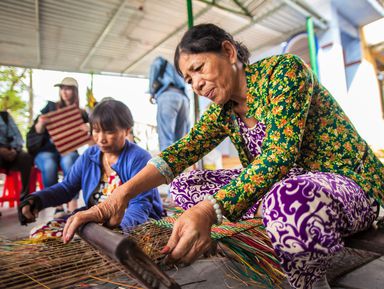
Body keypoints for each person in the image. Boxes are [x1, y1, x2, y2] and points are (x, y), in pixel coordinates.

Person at [62, 24, 384, 289]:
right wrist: (116, 198)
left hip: (347, 185)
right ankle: (276, 223)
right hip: (287, 187)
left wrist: (210, 209)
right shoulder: (224, 112)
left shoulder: (283, 73)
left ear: (228, 52)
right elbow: (179, 154)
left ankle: (311, 282)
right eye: (189, 80)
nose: (197, 85)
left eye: (199, 69)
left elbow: (279, 156)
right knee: (185, 185)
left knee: (286, 200)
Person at [19, 99, 163, 233]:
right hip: (97, 221)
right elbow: (67, 187)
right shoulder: (90, 155)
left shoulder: (138, 158)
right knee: (41, 232)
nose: (101, 139)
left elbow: (141, 204)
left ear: (126, 130)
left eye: (109, 131)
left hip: (134, 222)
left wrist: (119, 230)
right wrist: (37, 199)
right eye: (96, 130)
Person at [28, 77, 87, 217]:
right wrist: (41, 123)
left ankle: (73, 205)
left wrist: (87, 129)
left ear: (75, 91)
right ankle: (58, 206)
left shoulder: (81, 113)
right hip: (46, 150)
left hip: (68, 150)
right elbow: (36, 132)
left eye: (68, 88)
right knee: (49, 164)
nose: (64, 92)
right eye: (62, 88)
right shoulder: (49, 107)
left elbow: (90, 139)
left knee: (70, 160)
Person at [149, 56, 190, 151]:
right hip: (183, 98)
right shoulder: (175, 67)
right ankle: (182, 164)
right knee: (181, 140)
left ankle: (166, 165)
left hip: (167, 95)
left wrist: (152, 92)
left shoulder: (159, 61)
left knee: (165, 138)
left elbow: (155, 67)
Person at [0, 110, 34, 201]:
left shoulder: (4, 116)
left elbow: (17, 136)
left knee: (26, 158)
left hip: (10, 150)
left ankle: (24, 201)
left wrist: (14, 150)